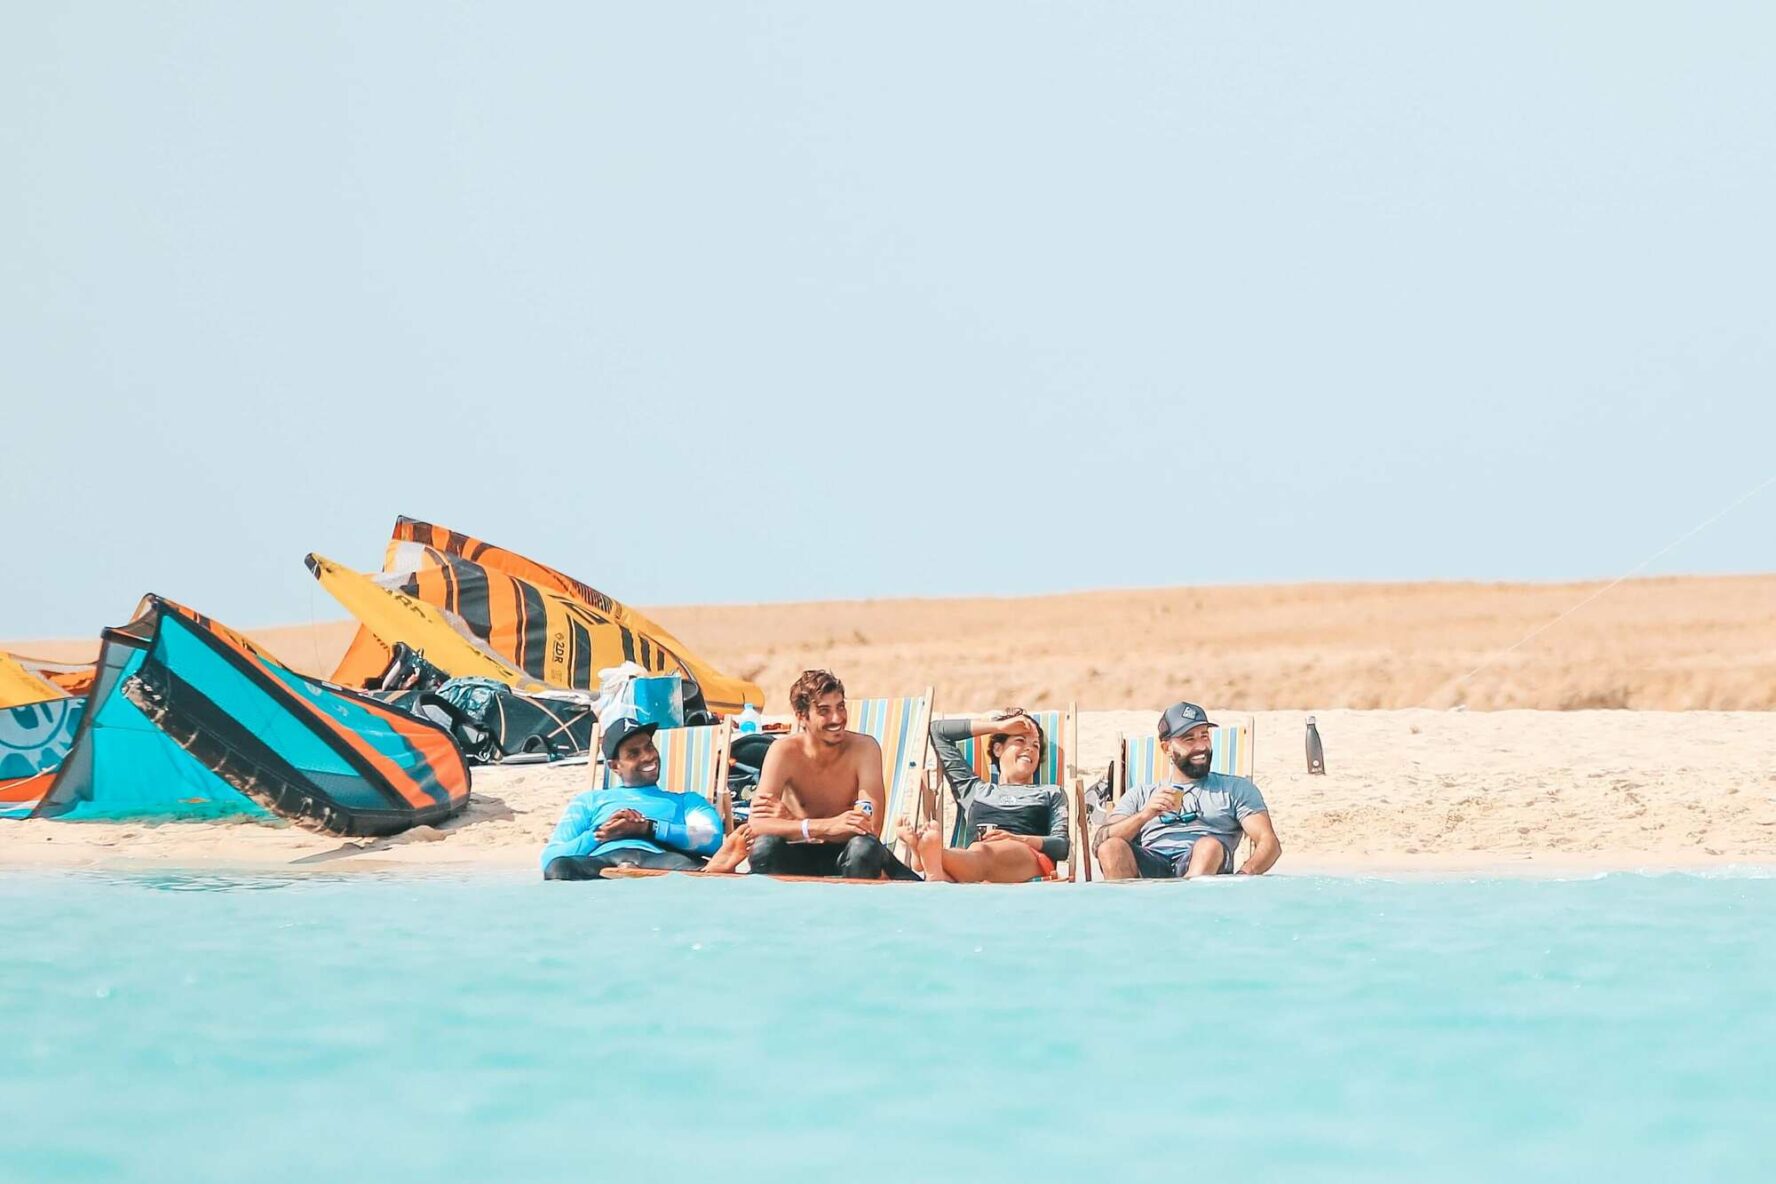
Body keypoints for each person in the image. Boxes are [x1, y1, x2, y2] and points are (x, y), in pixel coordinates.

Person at [746, 669, 918, 880]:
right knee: (764, 847)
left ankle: (857, 911)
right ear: (802, 716)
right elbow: (757, 824)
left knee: (863, 849)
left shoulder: (864, 749)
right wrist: (826, 825)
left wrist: (792, 823)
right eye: (824, 710)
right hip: (798, 854)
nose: (837, 718)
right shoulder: (783, 752)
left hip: (848, 853)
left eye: (841, 707)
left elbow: (870, 827)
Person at [541, 717, 749, 880]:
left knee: (688, 868)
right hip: (602, 861)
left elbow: (710, 838)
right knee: (558, 868)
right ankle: (710, 873)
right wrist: (602, 833)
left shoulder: (687, 801)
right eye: (633, 753)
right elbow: (549, 858)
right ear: (614, 766)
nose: (648, 756)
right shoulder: (588, 801)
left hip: (658, 859)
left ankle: (710, 871)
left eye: (649, 747)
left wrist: (648, 828)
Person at [1094, 701, 1282, 879]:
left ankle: (1188, 905)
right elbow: (1100, 842)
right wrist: (1145, 815)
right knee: (1111, 847)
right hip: (1151, 866)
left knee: (1208, 846)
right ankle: (1127, 911)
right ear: (1166, 748)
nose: (1201, 746)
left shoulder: (1235, 789)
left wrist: (1243, 875)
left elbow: (1269, 842)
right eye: (1189, 739)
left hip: (1206, 868)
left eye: (1204, 736)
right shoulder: (1141, 794)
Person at [899, 709, 1069, 882]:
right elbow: (937, 731)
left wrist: (1017, 838)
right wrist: (998, 726)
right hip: (975, 863)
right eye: (1020, 740)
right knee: (971, 857)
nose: (1030, 748)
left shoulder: (1050, 792)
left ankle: (926, 855)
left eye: (1036, 745)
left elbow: (1062, 846)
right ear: (997, 748)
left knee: (982, 852)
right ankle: (934, 867)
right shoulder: (975, 790)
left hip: (1030, 859)